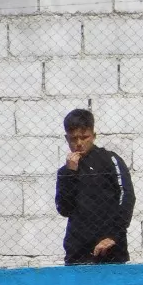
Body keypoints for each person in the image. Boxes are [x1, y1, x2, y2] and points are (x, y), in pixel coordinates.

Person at [55, 108, 135, 266]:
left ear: (93, 136)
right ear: (67, 138)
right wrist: (71, 174)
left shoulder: (110, 160)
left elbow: (126, 196)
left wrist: (113, 236)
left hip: (110, 249)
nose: (79, 143)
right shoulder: (65, 171)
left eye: (84, 137)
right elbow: (64, 209)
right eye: (73, 139)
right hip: (77, 251)